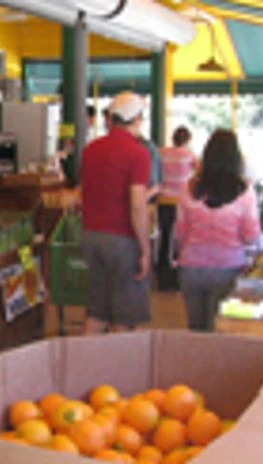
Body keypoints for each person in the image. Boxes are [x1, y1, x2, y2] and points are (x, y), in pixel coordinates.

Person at [175, 129, 261, 332]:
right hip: (228, 268)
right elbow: (251, 236)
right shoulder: (245, 192)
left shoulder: (188, 188)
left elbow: (179, 233)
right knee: (219, 331)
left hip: (191, 267)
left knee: (195, 331)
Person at [80, 91, 152, 334]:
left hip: (90, 236)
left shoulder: (91, 150)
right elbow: (137, 205)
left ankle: (84, 357)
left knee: (97, 311)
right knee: (122, 315)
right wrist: (145, 249)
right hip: (121, 240)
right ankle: (118, 360)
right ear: (137, 119)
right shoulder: (138, 154)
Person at [156, 126, 198, 290]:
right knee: (179, 238)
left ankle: (161, 274)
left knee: (165, 237)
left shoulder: (162, 153)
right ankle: (176, 275)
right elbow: (199, 173)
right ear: (187, 140)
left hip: (163, 200)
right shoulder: (189, 155)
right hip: (181, 202)